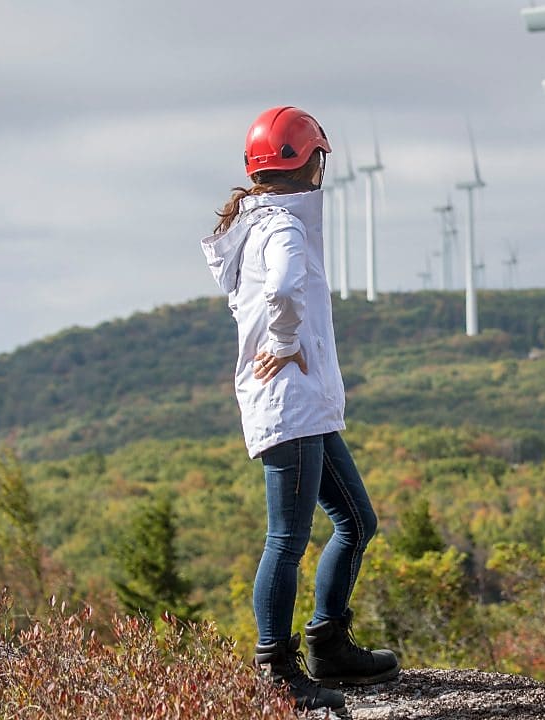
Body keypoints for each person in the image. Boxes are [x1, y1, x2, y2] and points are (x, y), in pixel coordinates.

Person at [201, 106, 400, 715]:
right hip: (289, 404)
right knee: (287, 540)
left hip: (303, 406)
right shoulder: (284, 228)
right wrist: (285, 344)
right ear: (308, 162)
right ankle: (276, 669)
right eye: (320, 157)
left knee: (357, 522)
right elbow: (284, 290)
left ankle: (328, 643)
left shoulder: (259, 224)